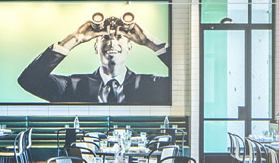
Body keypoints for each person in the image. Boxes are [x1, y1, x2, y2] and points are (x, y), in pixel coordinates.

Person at [17, 13, 169, 105]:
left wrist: (152, 43)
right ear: (96, 47)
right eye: (104, 38)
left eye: (119, 37)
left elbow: (190, 82)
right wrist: (74, 39)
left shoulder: (149, 85)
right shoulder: (73, 86)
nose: (111, 42)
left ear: (130, 46)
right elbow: (29, 80)